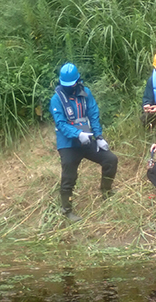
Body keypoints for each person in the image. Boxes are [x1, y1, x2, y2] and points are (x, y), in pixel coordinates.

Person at [49, 63, 118, 222]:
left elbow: (93, 114)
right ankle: (66, 210)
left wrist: (99, 137)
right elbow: (60, 123)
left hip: (86, 140)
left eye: (71, 84)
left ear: (77, 80)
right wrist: (77, 134)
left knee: (110, 160)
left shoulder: (85, 93)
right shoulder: (56, 99)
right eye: (65, 84)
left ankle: (106, 191)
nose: (68, 87)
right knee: (69, 175)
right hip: (68, 143)